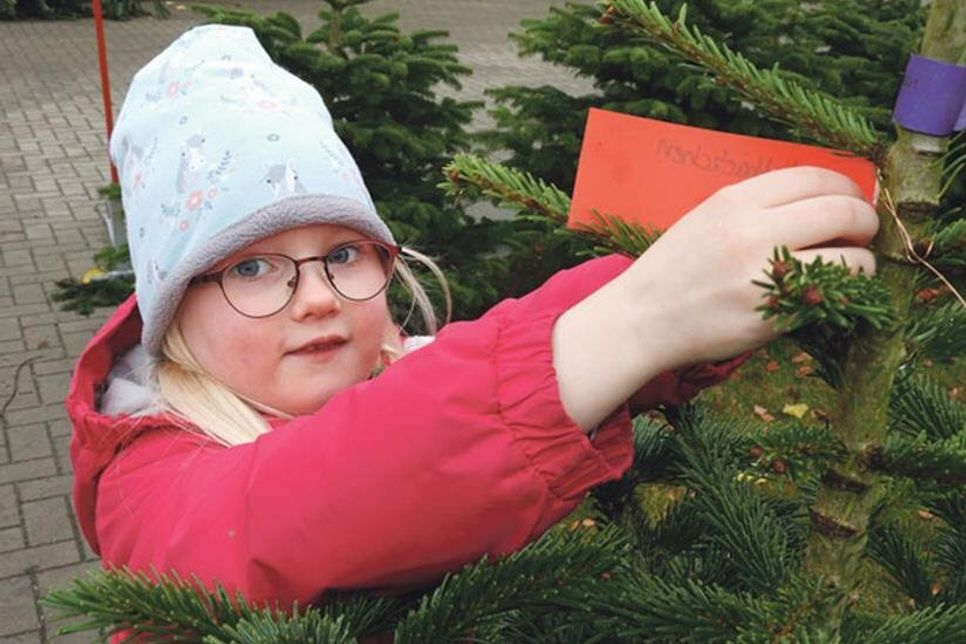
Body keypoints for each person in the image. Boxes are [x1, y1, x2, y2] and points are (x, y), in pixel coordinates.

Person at [66, 25, 878, 610]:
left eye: (345, 253)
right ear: (172, 313)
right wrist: (633, 322)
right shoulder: (146, 475)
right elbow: (285, 508)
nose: (316, 295)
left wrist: (683, 314)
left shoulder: (404, 366)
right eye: (250, 266)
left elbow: (477, 382)